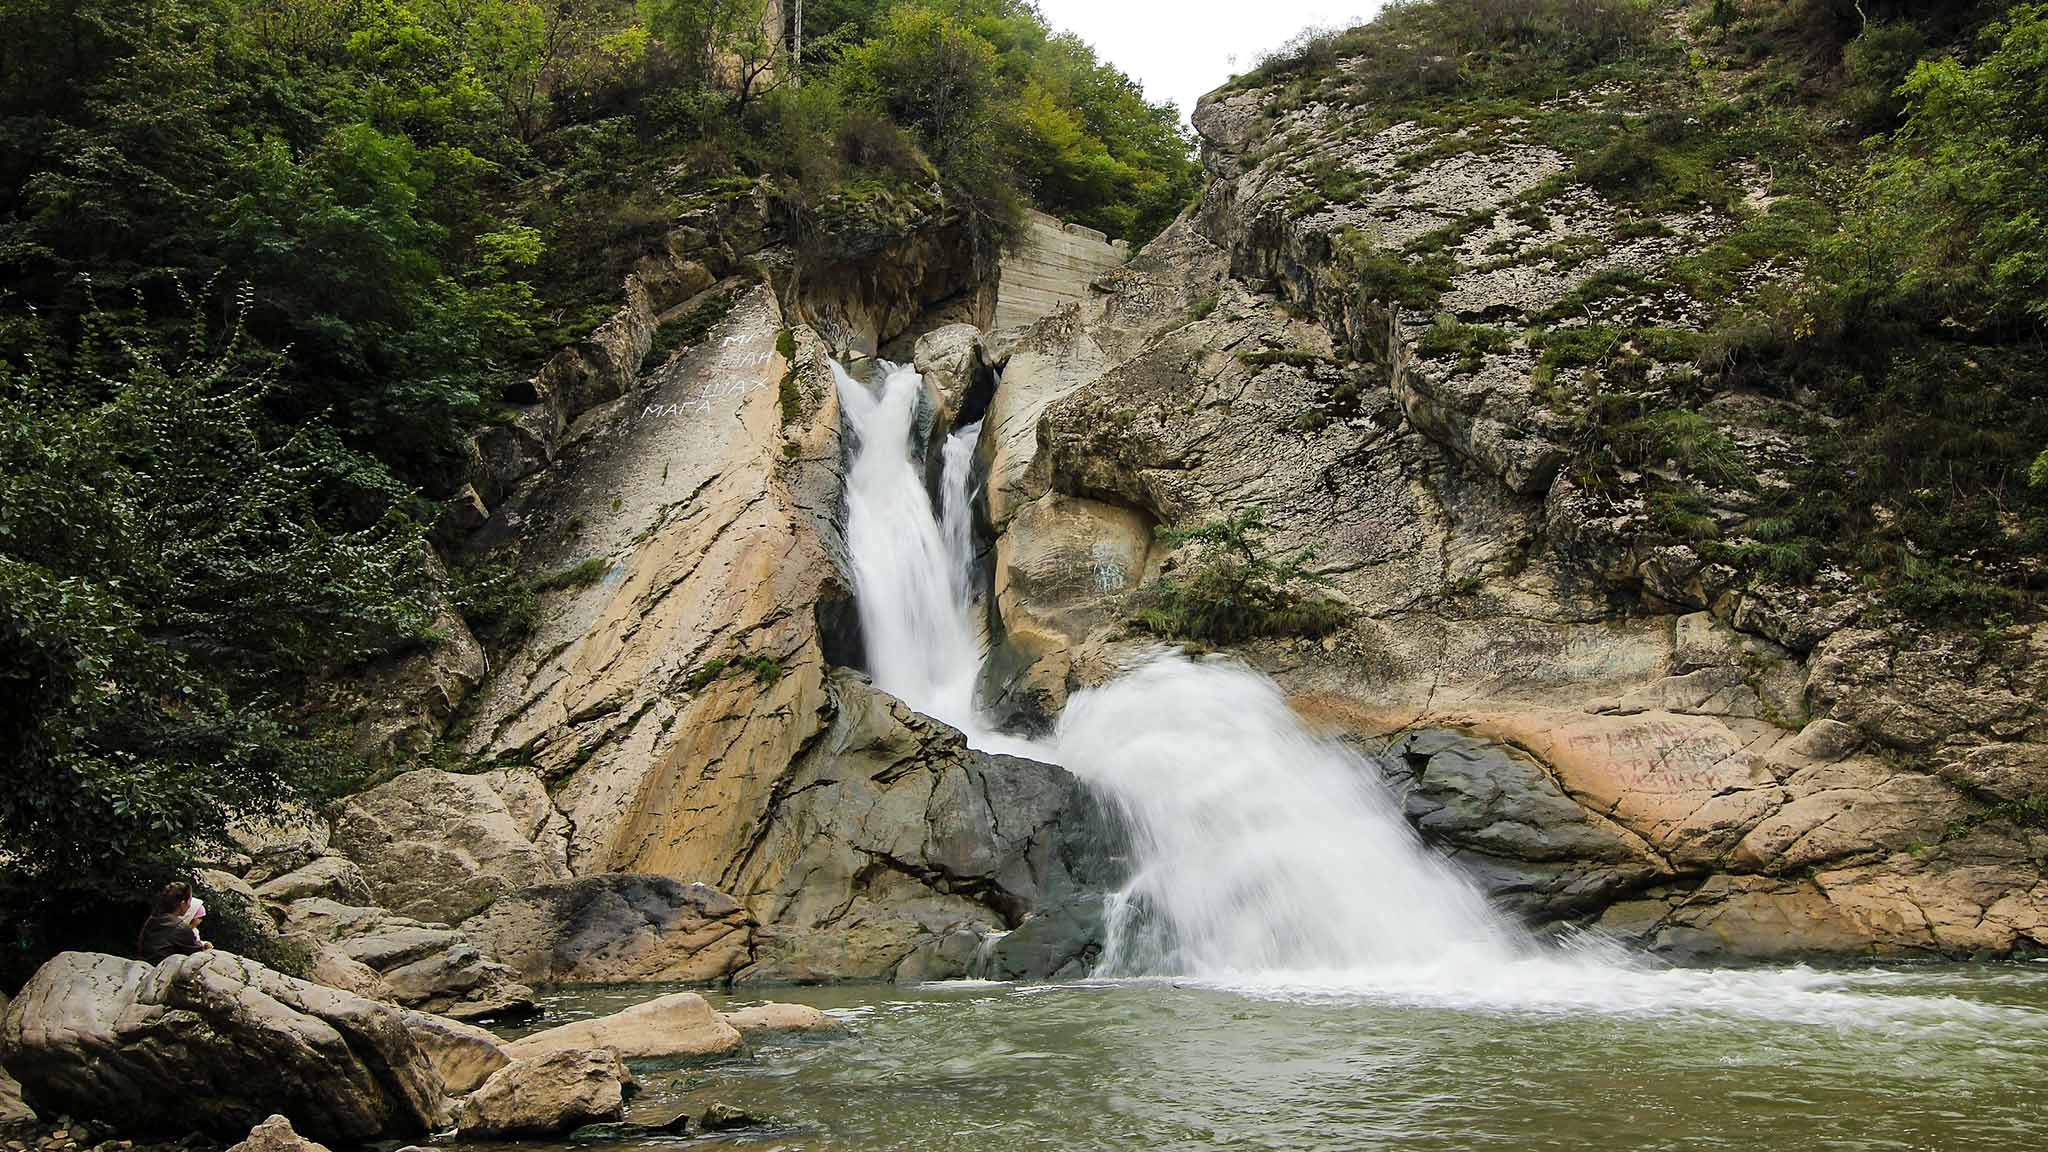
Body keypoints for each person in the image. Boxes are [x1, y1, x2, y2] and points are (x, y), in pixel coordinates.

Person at [136, 881, 214, 963]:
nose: (189, 905)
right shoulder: (180, 927)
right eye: (189, 901)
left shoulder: (153, 918)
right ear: (182, 903)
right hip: (162, 970)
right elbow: (197, 955)